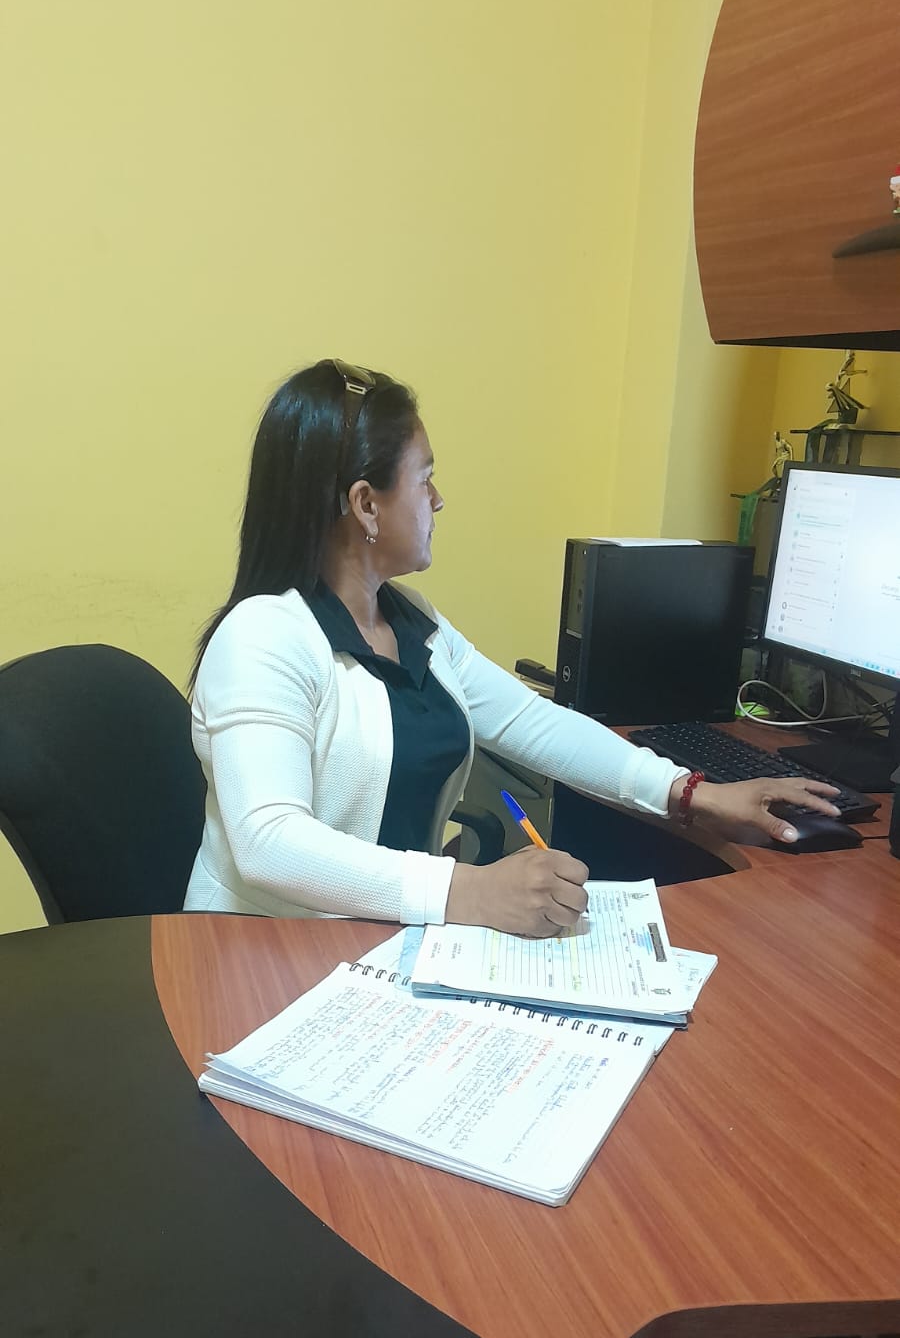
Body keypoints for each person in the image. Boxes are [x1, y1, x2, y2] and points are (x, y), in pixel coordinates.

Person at [184, 359, 840, 937]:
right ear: (366, 505)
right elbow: (268, 843)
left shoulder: (411, 622)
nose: (438, 500)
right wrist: (470, 891)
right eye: (424, 479)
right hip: (260, 955)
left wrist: (690, 793)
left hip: (377, 947)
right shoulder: (263, 639)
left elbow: (533, 723)